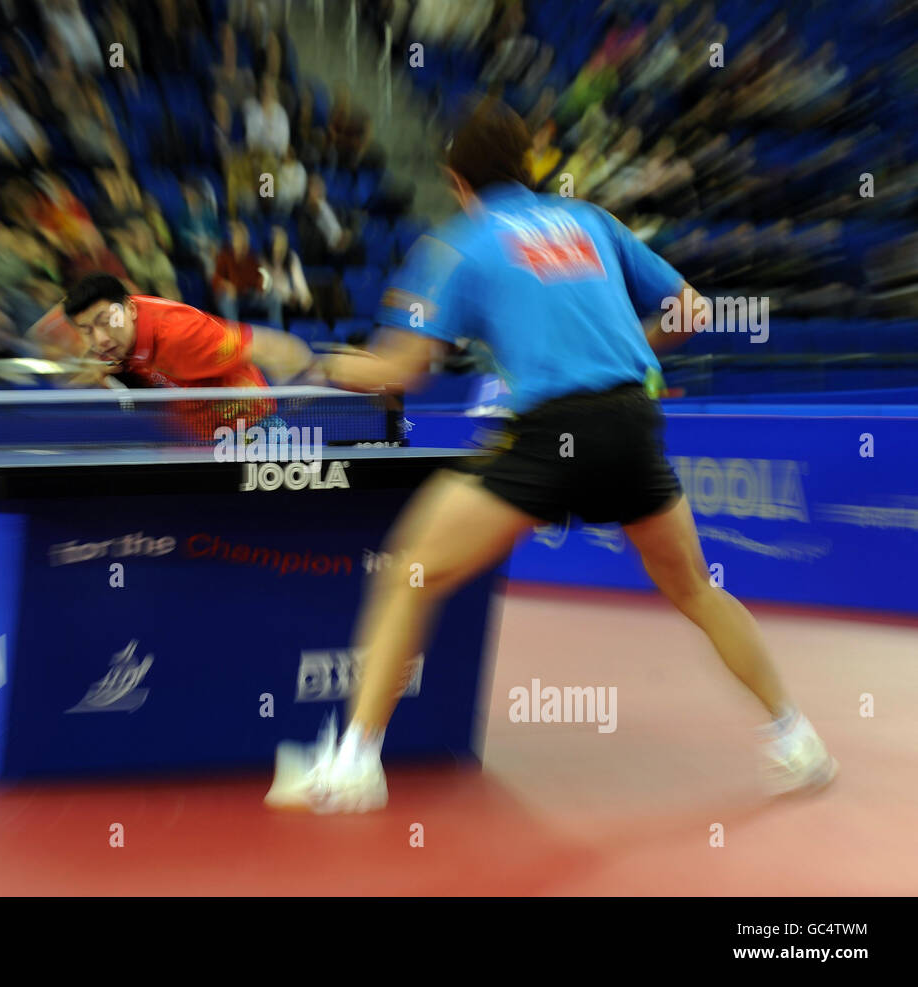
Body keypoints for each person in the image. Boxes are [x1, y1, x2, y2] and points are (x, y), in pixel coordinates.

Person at [264, 98, 838, 814]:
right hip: (632, 421)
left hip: (549, 434)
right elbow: (692, 309)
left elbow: (398, 371)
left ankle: (354, 764)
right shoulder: (592, 221)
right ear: (528, 168)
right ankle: (797, 737)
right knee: (695, 587)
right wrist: (627, 349)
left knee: (409, 571)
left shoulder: (461, 242)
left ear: (456, 182)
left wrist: (312, 363)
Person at [29, 272, 315, 438]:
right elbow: (48, 332)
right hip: (193, 441)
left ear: (128, 310)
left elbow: (270, 346)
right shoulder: (106, 338)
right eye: (87, 329)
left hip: (250, 430)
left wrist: (307, 375)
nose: (99, 339)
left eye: (105, 321)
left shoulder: (183, 333)